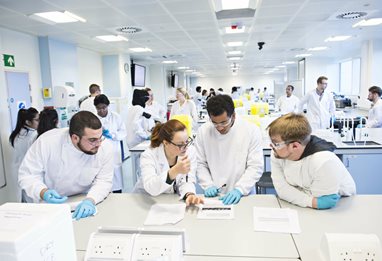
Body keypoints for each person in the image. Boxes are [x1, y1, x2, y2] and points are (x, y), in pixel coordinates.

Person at [18, 111, 114, 220]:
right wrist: (42, 192)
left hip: (87, 200)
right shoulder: (47, 142)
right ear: (75, 138)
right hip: (52, 205)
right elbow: (27, 175)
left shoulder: (105, 147)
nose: (99, 144)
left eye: (100, 138)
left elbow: (104, 180)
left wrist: (90, 200)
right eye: (92, 140)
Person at [267, 113, 356, 209]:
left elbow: (324, 201)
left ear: (295, 146)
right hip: (306, 205)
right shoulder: (278, 153)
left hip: (341, 206)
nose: (271, 146)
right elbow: (282, 189)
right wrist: (310, 200)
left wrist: (296, 193)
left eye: (276, 143)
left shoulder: (323, 161)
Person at [195, 95, 264, 205]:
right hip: (214, 196)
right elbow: (200, 163)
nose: (220, 127)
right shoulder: (203, 131)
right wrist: (208, 185)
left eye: (224, 122)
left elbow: (255, 166)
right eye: (215, 123)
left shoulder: (251, 130)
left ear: (234, 116)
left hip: (243, 195)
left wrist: (240, 189)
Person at [133, 120, 204, 206]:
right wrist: (174, 171)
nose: (185, 147)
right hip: (147, 200)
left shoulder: (190, 151)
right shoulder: (149, 155)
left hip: (169, 201)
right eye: (180, 144)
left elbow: (187, 180)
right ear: (166, 143)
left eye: (187, 141)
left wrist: (189, 194)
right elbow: (151, 187)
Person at [94, 94, 127, 193]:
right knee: (101, 177)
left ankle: (118, 194)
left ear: (108, 106)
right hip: (99, 151)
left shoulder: (116, 117)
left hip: (114, 150)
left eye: (104, 107)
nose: (102, 110)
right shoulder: (93, 119)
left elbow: (123, 132)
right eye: (98, 108)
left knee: (116, 176)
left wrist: (112, 135)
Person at [9, 107, 39, 202]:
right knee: (32, 200)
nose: (40, 122)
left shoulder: (15, 135)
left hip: (16, 171)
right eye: (37, 120)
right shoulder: (34, 135)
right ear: (28, 122)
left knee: (23, 199)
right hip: (29, 171)